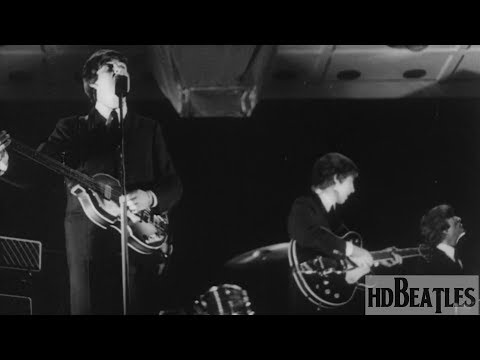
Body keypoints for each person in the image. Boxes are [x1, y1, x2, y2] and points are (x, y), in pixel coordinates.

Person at [0, 49, 182, 314]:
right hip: (87, 242)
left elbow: (173, 184)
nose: (120, 69)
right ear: (93, 82)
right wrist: (5, 163)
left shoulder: (147, 129)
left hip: (138, 242)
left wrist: (149, 197)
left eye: (124, 67)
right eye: (110, 67)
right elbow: (38, 171)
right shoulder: (72, 129)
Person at [287, 153, 401, 314]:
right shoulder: (304, 205)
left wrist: (378, 257)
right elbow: (307, 233)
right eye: (350, 182)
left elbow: (345, 259)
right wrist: (355, 251)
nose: (353, 189)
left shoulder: (334, 219)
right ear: (336, 180)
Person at [415, 204, 465, 275]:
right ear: (444, 229)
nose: (458, 218)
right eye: (451, 216)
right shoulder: (430, 263)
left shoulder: (457, 258)